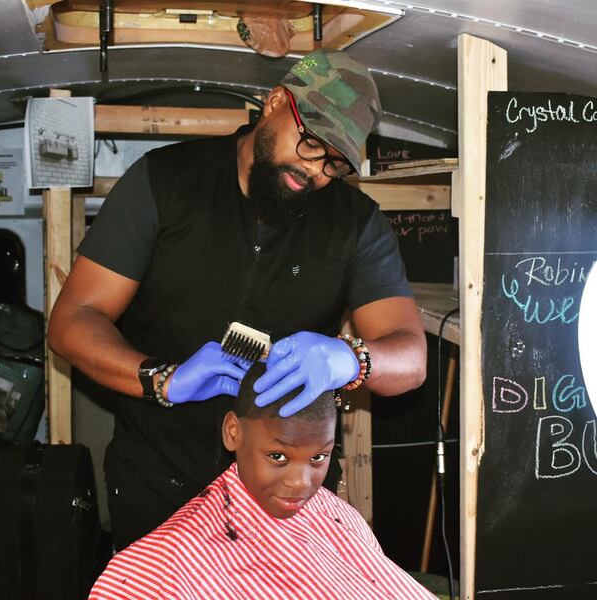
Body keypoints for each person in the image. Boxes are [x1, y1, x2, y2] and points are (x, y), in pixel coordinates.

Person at [47, 49, 427, 551]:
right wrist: (163, 378)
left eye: (335, 162)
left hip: (288, 497)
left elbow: (411, 358)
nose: (316, 171)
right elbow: (73, 320)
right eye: (311, 143)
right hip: (160, 483)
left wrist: (348, 358)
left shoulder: (354, 223)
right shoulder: (164, 182)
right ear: (275, 103)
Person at [88, 363, 436, 600]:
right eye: (278, 456)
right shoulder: (160, 565)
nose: (302, 483)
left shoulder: (337, 518)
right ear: (233, 432)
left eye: (318, 457)